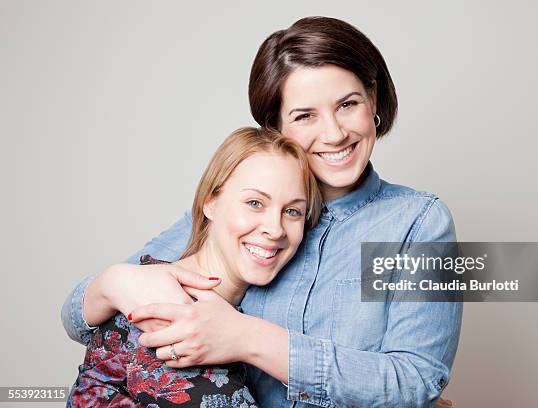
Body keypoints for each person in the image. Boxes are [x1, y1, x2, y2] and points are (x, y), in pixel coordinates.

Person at [62, 16, 462, 407]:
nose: (335, 133)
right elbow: (84, 322)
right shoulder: (236, 216)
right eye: (305, 115)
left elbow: (417, 380)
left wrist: (247, 337)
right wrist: (113, 281)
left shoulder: (419, 222)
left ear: (372, 100)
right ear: (276, 126)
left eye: (347, 104)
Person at [66, 127, 321, 407]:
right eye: (254, 203)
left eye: (293, 211)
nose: (275, 229)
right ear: (210, 203)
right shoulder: (156, 304)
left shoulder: (231, 314)